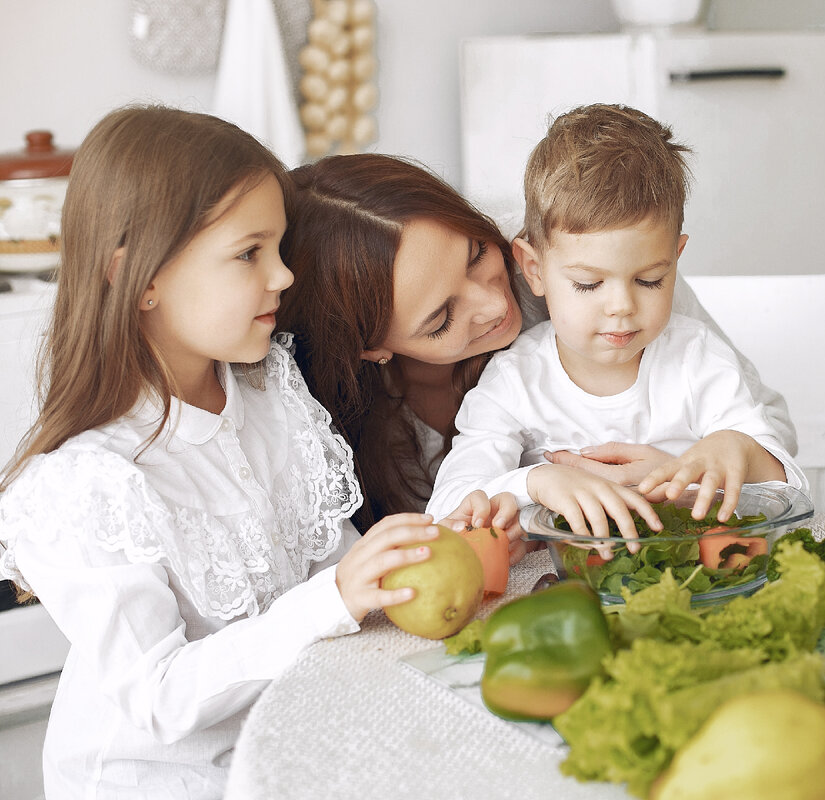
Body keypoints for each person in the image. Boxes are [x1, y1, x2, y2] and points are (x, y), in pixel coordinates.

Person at [0, 106, 514, 799]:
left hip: (289, 746)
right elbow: (159, 699)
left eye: (277, 249)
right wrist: (333, 597)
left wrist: (435, 550)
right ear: (140, 278)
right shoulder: (84, 482)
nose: (283, 276)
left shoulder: (272, 393)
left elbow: (343, 574)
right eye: (250, 254)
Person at [277, 153, 798, 536]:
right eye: (440, 319)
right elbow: (450, 517)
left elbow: (765, 438)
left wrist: (676, 472)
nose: (492, 304)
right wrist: (534, 483)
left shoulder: (593, 261)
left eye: (477, 255)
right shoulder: (319, 415)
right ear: (373, 350)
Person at [425, 104, 806, 545]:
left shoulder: (697, 357)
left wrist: (742, 451)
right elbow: (446, 507)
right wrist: (536, 482)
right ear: (533, 269)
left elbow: (790, 490)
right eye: (588, 284)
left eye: (650, 280)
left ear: (676, 258)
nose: (622, 306)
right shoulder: (515, 380)